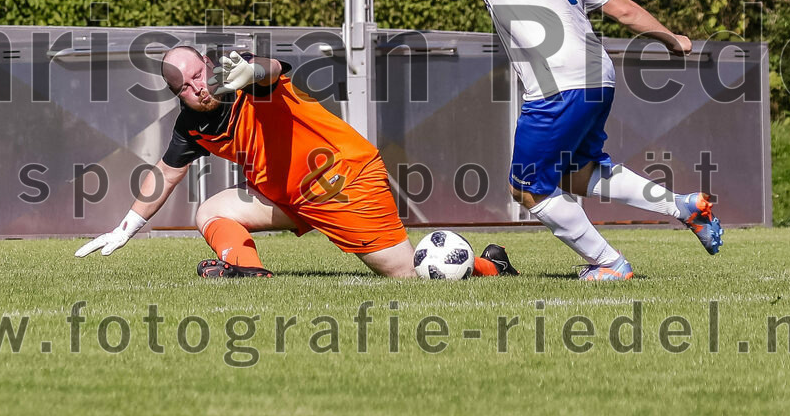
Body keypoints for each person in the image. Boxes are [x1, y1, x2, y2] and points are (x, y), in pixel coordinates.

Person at [332, 0, 722, 281]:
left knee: (528, 189)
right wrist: (669, 37)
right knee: (578, 173)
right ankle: (685, 206)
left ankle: (609, 264)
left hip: (558, 83)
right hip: (599, 76)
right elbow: (623, 9)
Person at [75, 47, 517, 279]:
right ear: (179, 96)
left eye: (198, 74)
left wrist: (253, 72)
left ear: (209, 64)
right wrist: (126, 226)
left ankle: (490, 265)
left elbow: (268, 68)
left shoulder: (242, 76)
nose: (199, 86)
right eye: (187, 86)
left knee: (408, 275)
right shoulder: (192, 125)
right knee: (210, 211)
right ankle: (246, 269)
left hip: (341, 180)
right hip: (290, 197)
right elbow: (167, 174)